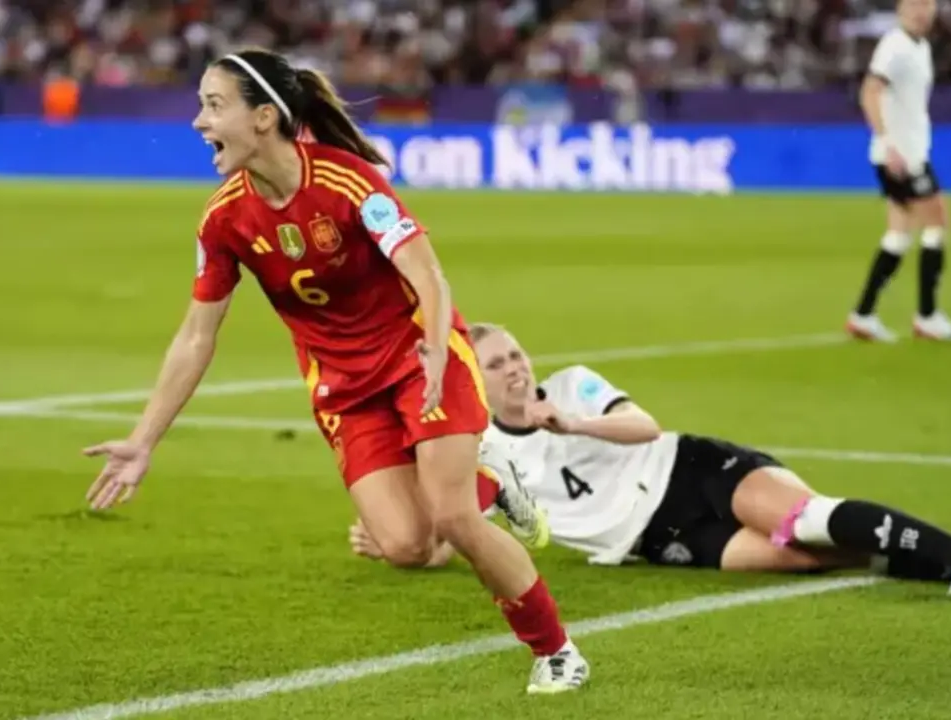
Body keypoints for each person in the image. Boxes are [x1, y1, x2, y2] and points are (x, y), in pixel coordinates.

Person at [80, 48, 589, 694]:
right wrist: (143, 440)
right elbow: (195, 335)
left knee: (453, 518)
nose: (197, 122)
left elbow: (426, 274)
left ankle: (557, 652)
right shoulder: (222, 219)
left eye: (213, 106)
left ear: (264, 117)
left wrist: (435, 347)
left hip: (418, 359)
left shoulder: (349, 183)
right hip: (345, 392)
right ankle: (493, 479)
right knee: (405, 546)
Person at [350, 323, 951, 595]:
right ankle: (938, 561)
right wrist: (396, 543)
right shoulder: (485, 451)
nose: (512, 369)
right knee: (809, 557)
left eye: (516, 355)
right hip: (656, 539)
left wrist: (574, 419)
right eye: (496, 362)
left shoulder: (572, 385)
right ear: (475, 374)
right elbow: (456, 532)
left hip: (692, 472)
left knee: (805, 519)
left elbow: (646, 427)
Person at [847, 0, 951, 344]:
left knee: (898, 235)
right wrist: (887, 142)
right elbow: (869, 92)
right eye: (915, 4)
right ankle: (927, 316)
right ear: (900, 9)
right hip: (903, 157)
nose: (922, 11)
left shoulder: (920, 46)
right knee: (937, 224)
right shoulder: (894, 46)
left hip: (904, 153)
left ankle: (863, 315)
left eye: (928, 5)